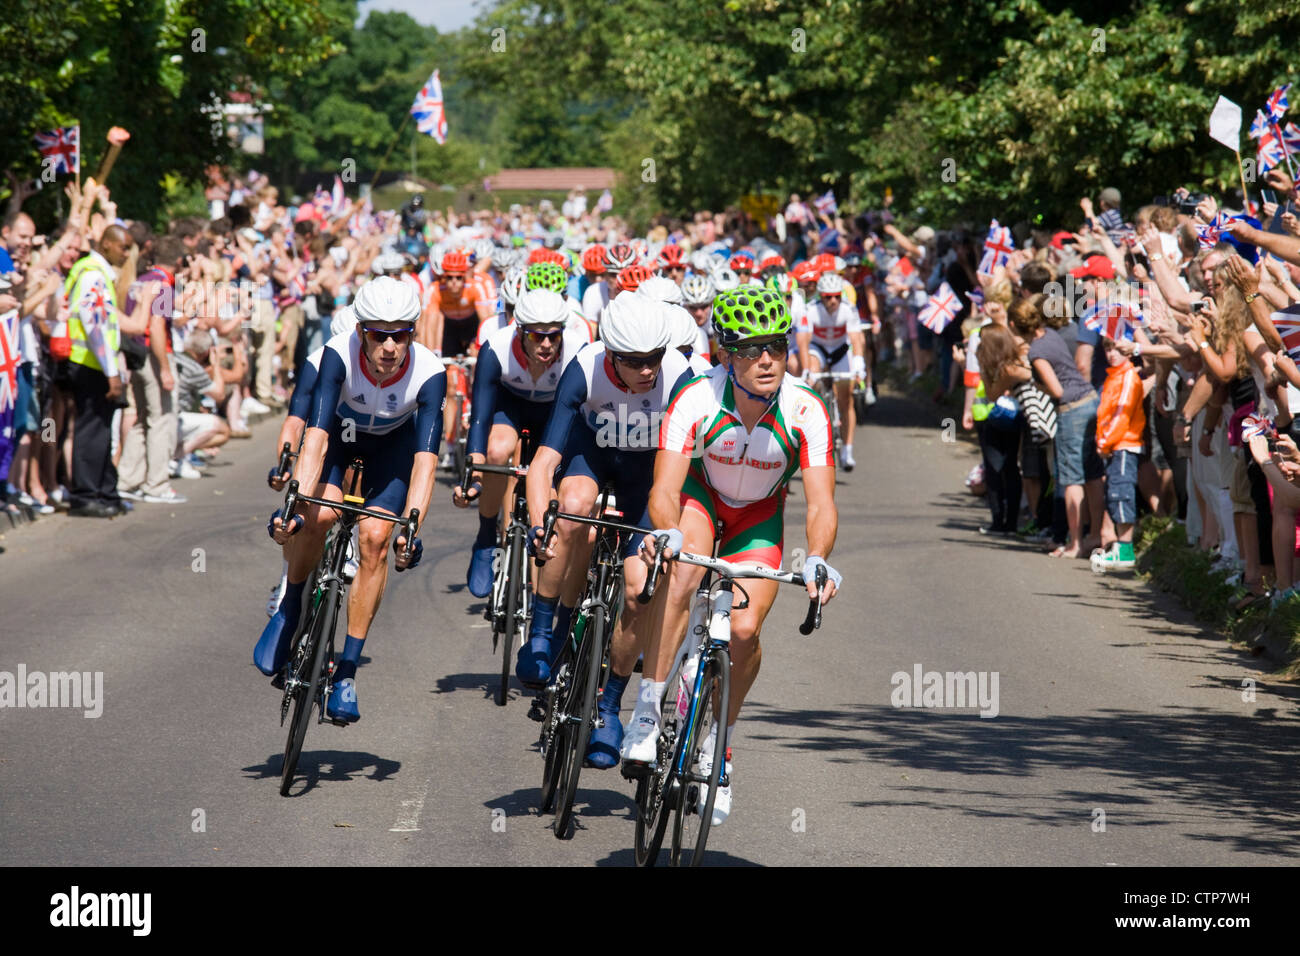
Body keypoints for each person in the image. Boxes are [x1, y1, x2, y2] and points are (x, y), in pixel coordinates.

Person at [626, 287, 842, 825]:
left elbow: (821, 503)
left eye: (776, 345)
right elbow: (664, 488)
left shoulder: (806, 407)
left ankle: (718, 746)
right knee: (680, 579)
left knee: (744, 631)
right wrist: (668, 531)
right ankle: (648, 711)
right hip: (702, 500)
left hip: (759, 517)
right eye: (750, 349)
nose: (766, 359)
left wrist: (816, 556)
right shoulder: (696, 397)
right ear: (725, 353)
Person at [256, 277, 444, 723]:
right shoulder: (336, 355)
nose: (390, 346)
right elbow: (316, 435)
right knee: (318, 515)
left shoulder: (431, 372)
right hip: (339, 441)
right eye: (379, 334)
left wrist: (412, 526)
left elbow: (425, 460)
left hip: (391, 453)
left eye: (401, 334)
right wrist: (294, 502)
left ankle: (347, 671)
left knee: (376, 539)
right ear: (361, 331)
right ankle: (291, 603)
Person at [523, 293, 693, 768]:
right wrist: (542, 527)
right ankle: (542, 631)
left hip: (648, 481)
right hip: (591, 457)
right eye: (635, 362)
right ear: (611, 354)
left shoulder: (680, 375)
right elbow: (542, 466)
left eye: (654, 359)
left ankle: (608, 704)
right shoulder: (585, 365)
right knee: (573, 507)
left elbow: (691, 474)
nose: (647, 371)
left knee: (640, 590)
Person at [455, 288, 589, 596]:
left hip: (554, 412)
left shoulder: (577, 351)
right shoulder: (497, 348)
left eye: (553, 337)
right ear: (520, 332)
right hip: (510, 406)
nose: (546, 345)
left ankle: (542, 541)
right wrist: (473, 466)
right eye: (536, 336)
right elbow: (480, 415)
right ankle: (487, 536)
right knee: (497, 450)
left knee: (553, 475)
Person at [64, 225, 134, 517]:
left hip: (96, 363)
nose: (127, 253)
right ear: (106, 244)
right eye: (123, 247)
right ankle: (85, 495)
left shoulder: (99, 270)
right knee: (91, 430)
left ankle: (105, 491)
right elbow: (93, 324)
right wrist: (111, 371)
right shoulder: (92, 271)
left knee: (103, 429)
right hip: (88, 363)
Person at [1091, 336, 1145, 571]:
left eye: (1117, 349)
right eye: (1107, 348)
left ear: (1129, 351)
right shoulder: (1114, 375)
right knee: (1115, 494)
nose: (1112, 353)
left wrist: (1104, 443)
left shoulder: (1127, 377)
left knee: (1122, 495)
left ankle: (1125, 550)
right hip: (1114, 445)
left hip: (1123, 444)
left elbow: (1121, 417)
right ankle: (1120, 548)